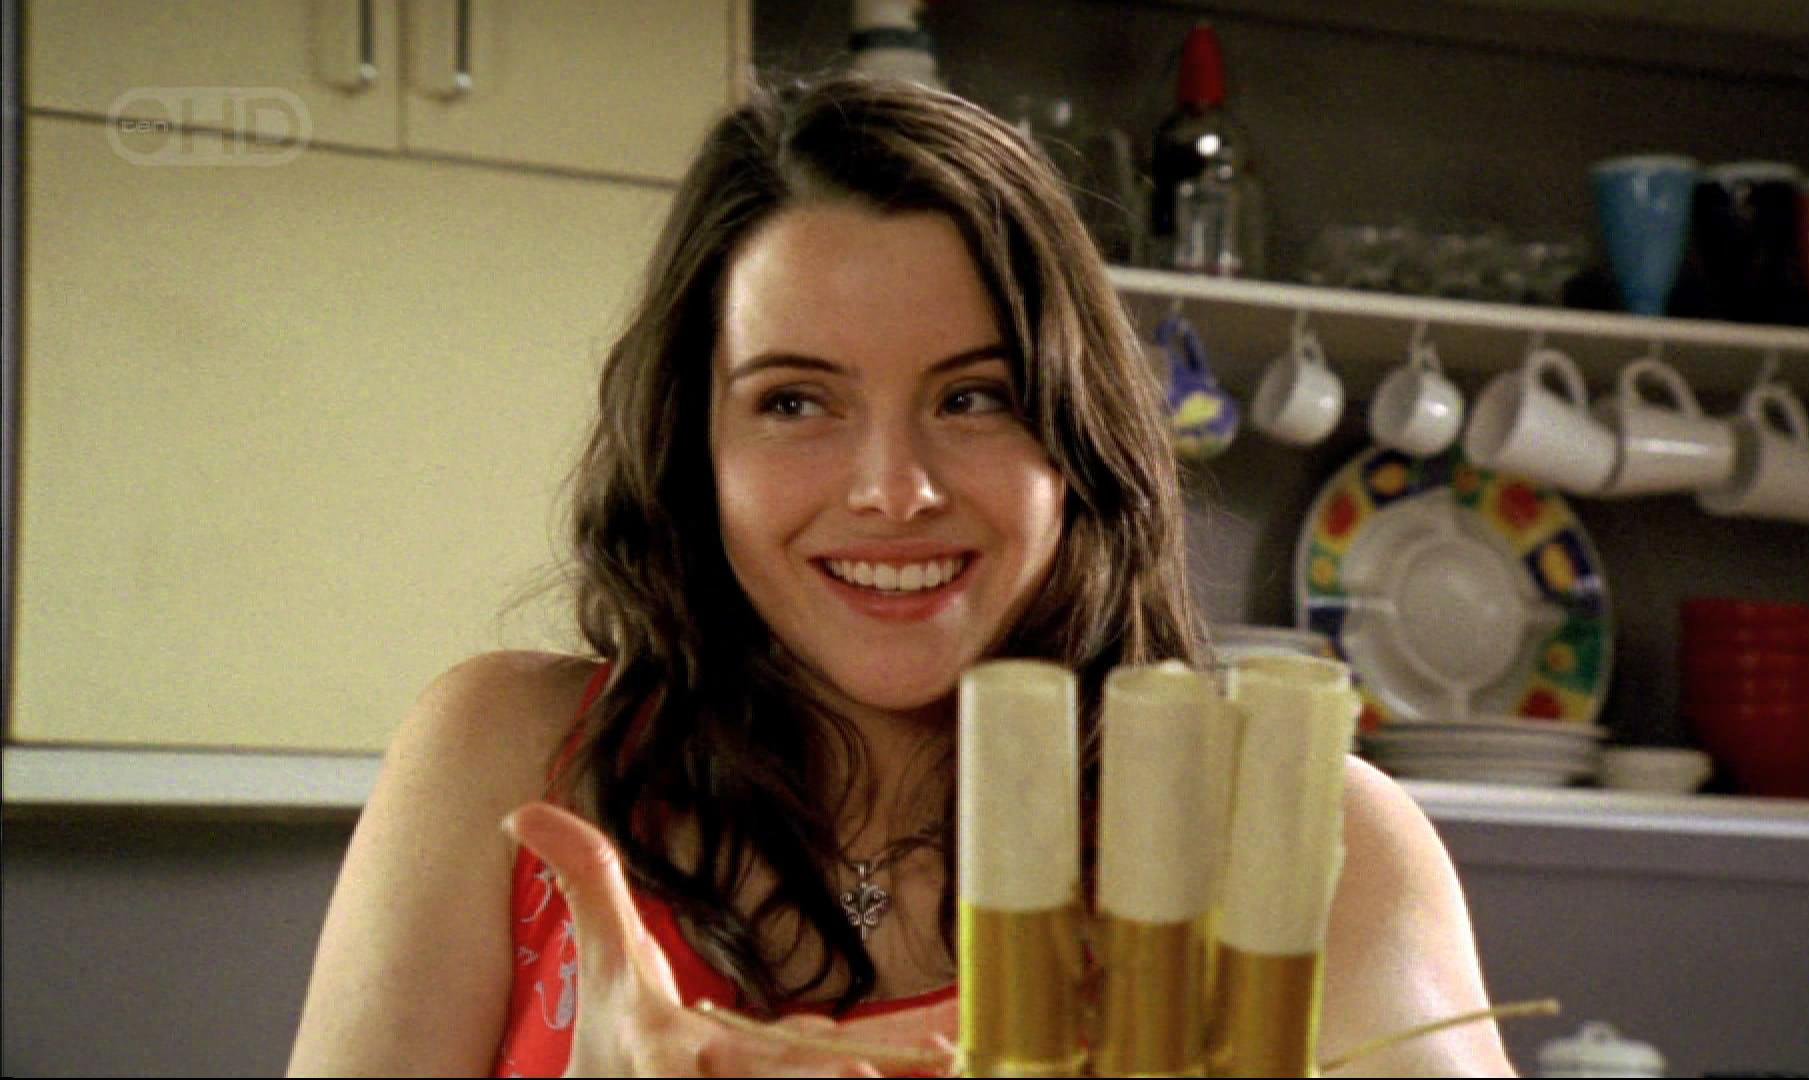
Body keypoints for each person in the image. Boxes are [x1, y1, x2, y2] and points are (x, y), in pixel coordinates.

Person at [286, 74, 1515, 1077]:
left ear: (1075, 443)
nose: (893, 490)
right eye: (795, 401)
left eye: (973, 397)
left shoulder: (1301, 835)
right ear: (694, 446)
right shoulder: (502, 754)